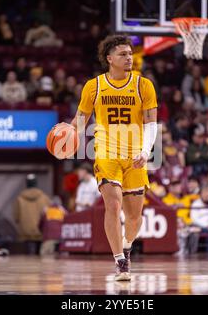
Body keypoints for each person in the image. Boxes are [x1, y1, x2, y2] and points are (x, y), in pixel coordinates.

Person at [68, 35, 158, 281]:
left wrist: (145, 151)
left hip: (135, 154)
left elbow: (152, 124)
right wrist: (68, 137)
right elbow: (80, 119)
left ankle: (127, 245)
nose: (129, 57)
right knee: (113, 203)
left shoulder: (144, 85)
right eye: (123, 54)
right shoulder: (93, 86)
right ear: (110, 59)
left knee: (134, 216)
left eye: (130, 53)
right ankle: (120, 261)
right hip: (106, 150)